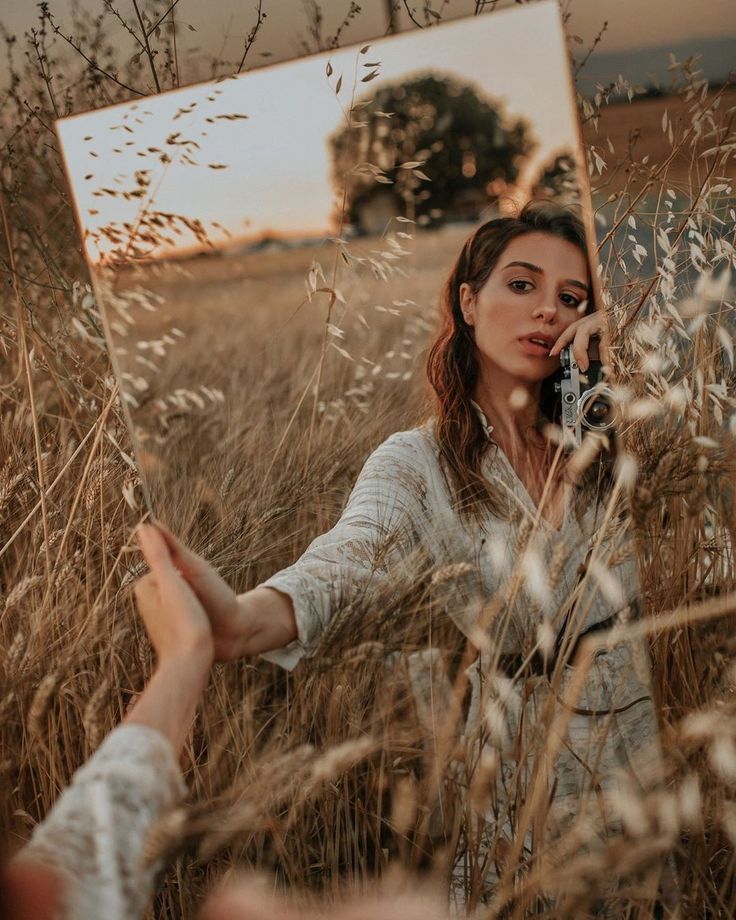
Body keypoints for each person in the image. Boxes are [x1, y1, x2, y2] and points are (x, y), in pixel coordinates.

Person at [151, 202, 662, 902]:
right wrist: (243, 620)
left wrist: (625, 368)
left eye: (571, 299)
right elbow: (348, 559)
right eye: (522, 284)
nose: (548, 311)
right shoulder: (415, 464)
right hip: (516, 779)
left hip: (652, 750)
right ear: (469, 302)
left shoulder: (617, 437)